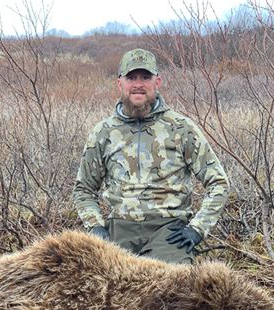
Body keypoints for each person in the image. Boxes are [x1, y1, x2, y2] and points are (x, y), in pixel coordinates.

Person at [73, 49, 229, 264]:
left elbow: (218, 183)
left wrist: (197, 229)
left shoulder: (181, 128)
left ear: (158, 82)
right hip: (118, 231)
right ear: (120, 83)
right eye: (131, 77)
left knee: (172, 288)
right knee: (97, 288)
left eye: (145, 77)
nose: (138, 84)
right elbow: (84, 189)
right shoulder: (103, 132)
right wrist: (96, 227)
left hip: (168, 230)